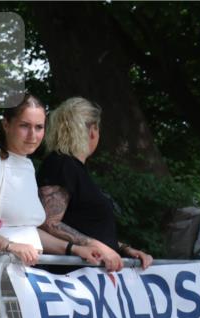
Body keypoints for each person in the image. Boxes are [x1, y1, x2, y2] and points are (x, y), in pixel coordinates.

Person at [0, 93, 96, 282]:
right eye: (24, 126)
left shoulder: (27, 165)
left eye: (39, 127)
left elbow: (25, 230)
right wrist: (8, 245)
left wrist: (73, 249)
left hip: (2, 283)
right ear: (6, 124)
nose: (33, 135)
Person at [37, 97, 153, 272]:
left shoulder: (74, 168)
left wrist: (124, 249)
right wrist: (96, 245)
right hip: (70, 278)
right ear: (93, 131)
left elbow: (86, 226)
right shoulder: (61, 164)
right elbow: (48, 222)